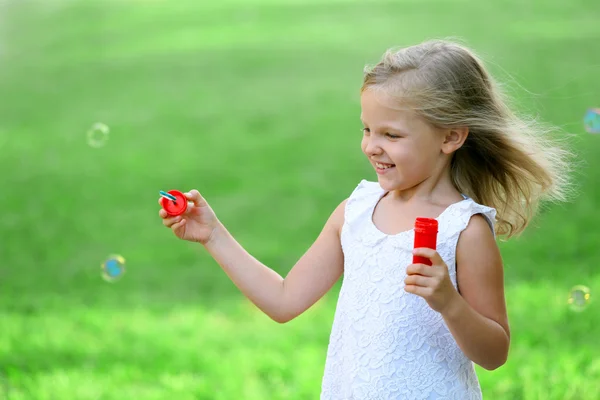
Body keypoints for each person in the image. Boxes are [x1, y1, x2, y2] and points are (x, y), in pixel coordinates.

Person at [158, 39, 573, 399]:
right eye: (367, 129)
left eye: (391, 135)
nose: (372, 146)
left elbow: (495, 353)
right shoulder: (355, 212)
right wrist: (214, 235)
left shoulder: (464, 230)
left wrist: (449, 302)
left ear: (450, 136)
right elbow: (284, 301)